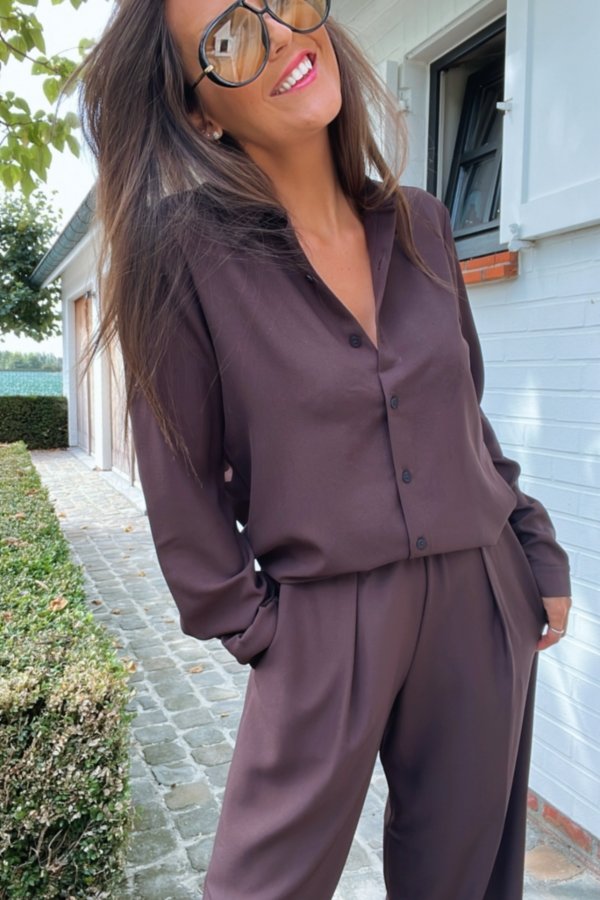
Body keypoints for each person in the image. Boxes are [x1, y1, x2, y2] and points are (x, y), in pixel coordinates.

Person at [80, 1, 572, 897]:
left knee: (462, 880)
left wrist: (533, 545)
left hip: (480, 593)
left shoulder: (422, 222)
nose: (280, 36)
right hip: (322, 621)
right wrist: (260, 629)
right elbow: (182, 488)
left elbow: (464, 416)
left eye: (285, 2)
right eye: (230, 39)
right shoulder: (179, 252)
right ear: (198, 110)